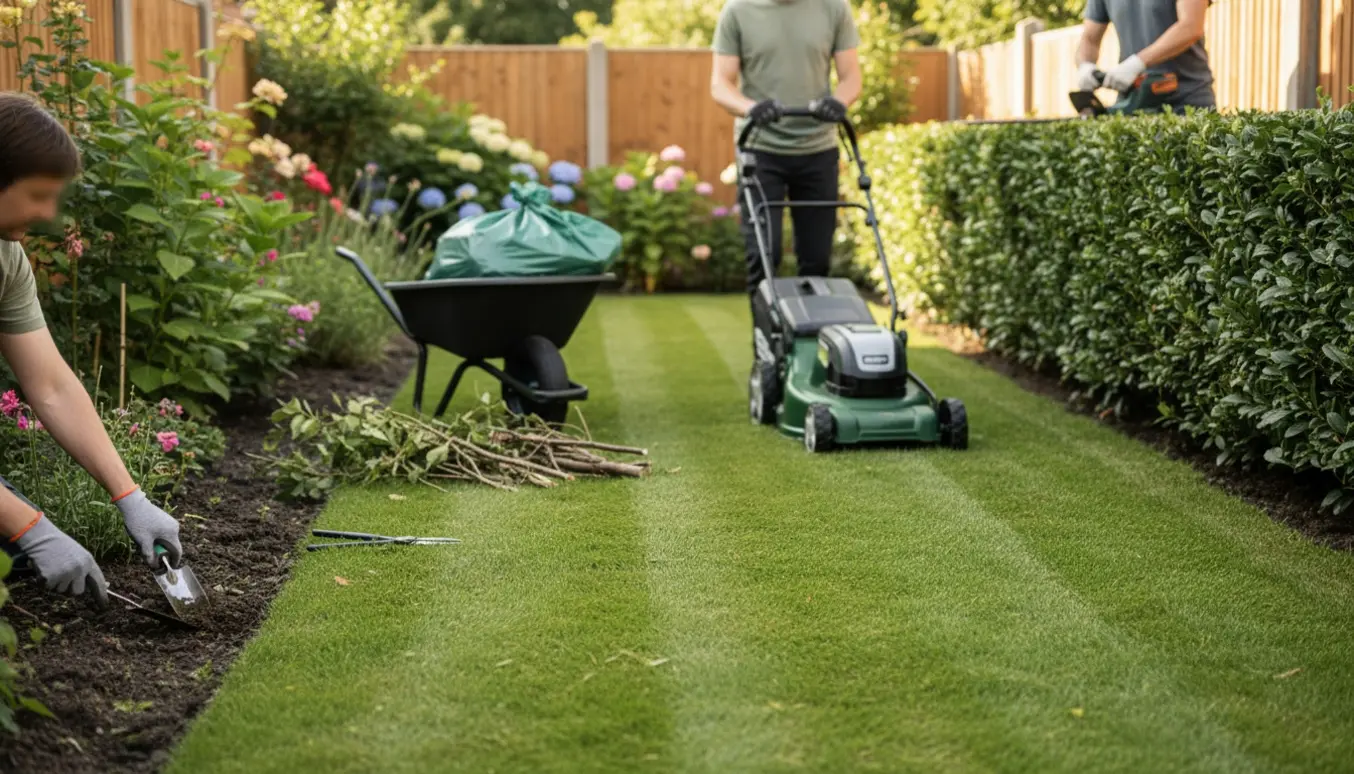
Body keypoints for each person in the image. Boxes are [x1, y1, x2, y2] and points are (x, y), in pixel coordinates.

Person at [0, 92, 184, 608]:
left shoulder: (7, 258)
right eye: (37, 194)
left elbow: (51, 384)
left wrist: (132, 498)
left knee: (13, 555)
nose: (48, 213)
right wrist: (32, 526)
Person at [709, 0, 862, 297]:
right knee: (764, 254)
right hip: (760, 150)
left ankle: (808, 339)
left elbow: (851, 77)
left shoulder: (833, 8)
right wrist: (751, 108)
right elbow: (720, 84)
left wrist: (838, 102)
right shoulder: (737, 11)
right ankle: (766, 341)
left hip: (818, 149)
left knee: (816, 259)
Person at [1076, 0, 1216, 112]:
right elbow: (1089, 39)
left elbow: (1190, 27)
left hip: (1185, 100)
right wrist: (1085, 66)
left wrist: (1137, 63)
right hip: (1132, 99)